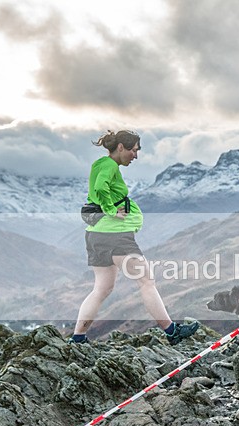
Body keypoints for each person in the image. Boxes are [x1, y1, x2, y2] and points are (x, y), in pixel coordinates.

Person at [70, 130, 200, 345]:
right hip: (115, 235)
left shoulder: (101, 164)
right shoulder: (109, 166)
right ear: (121, 147)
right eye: (134, 150)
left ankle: (78, 337)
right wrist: (112, 210)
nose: (136, 155)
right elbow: (101, 187)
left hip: (96, 236)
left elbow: (99, 189)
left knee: (102, 288)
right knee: (146, 281)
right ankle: (171, 331)